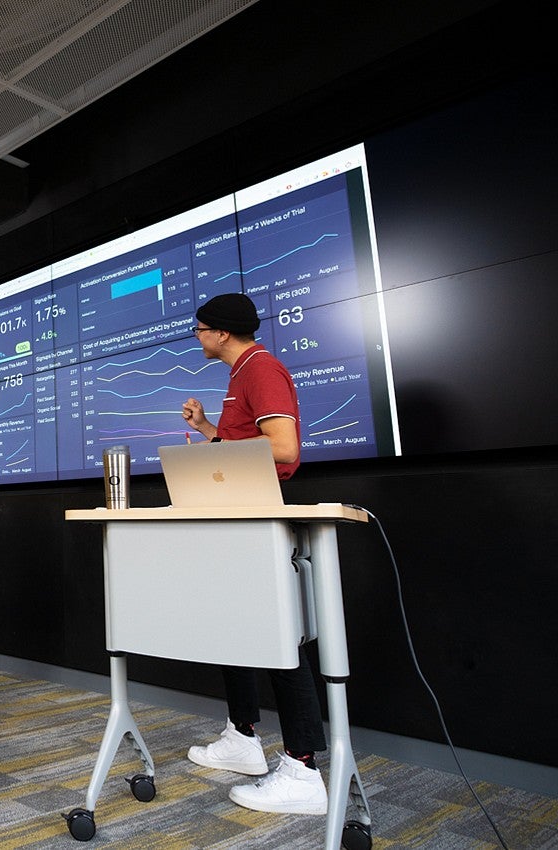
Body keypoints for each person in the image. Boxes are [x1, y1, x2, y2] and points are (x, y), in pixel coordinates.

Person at [178, 292, 326, 816]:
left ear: (220, 332)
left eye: (199, 329)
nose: (196, 337)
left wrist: (223, 448)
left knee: (277, 636)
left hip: (260, 518)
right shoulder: (239, 375)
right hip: (237, 518)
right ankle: (242, 738)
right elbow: (246, 446)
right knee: (235, 627)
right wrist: (208, 433)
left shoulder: (261, 370)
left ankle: (303, 768)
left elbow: (284, 450)